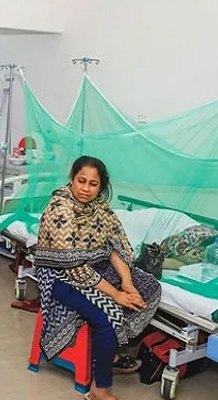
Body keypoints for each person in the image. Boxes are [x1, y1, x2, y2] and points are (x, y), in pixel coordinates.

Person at [35, 156, 161, 400]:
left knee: (149, 286)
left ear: (100, 186)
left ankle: (109, 352)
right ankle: (99, 390)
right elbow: (74, 266)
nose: (86, 188)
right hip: (62, 276)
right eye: (81, 181)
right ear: (72, 179)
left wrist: (127, 284)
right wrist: (116, 294)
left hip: (97, 267)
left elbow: (115, 247)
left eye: (93, 184)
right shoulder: (60, 210)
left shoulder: (100, 208)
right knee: (107, 317)